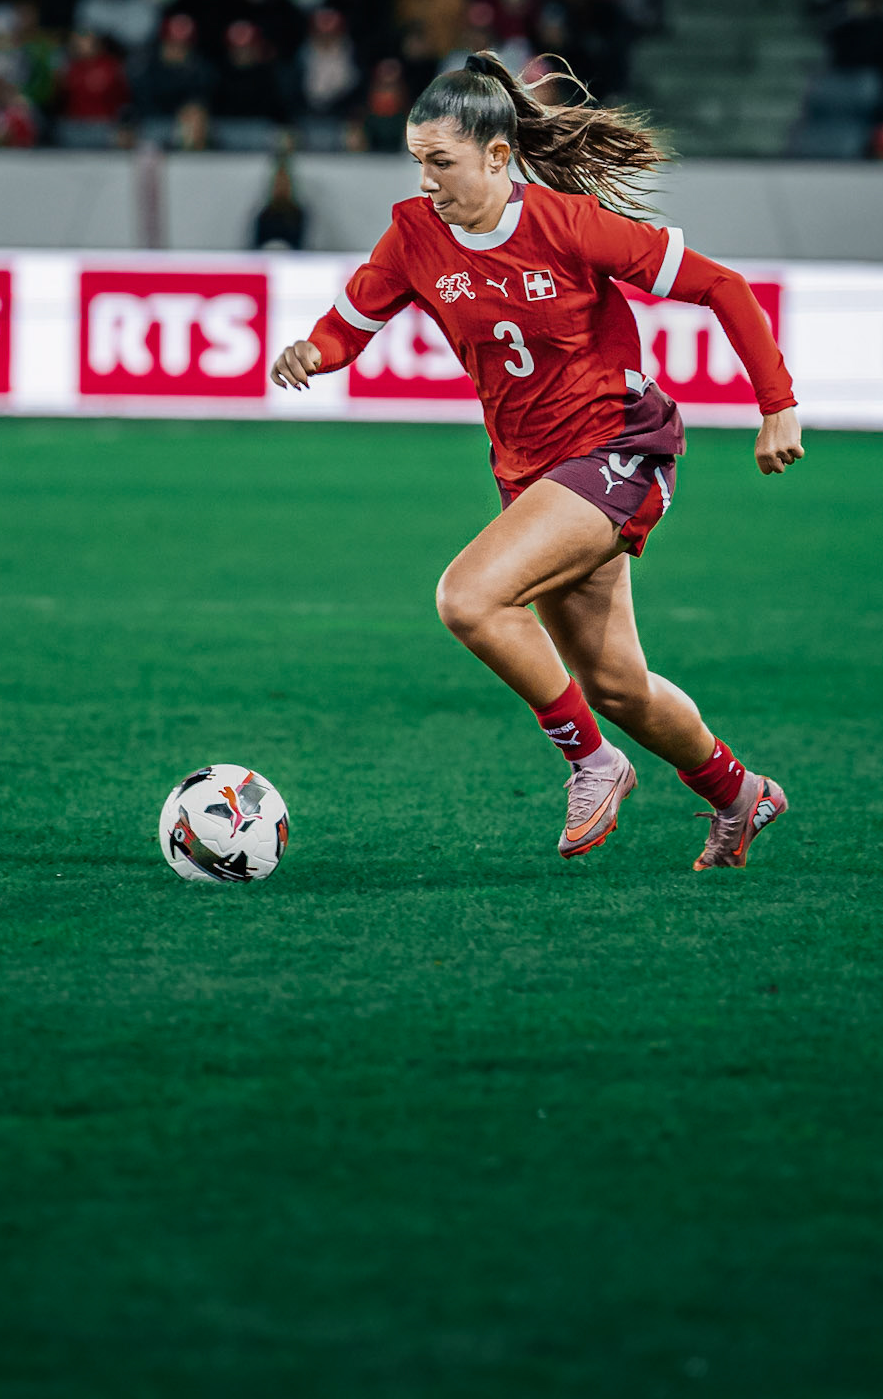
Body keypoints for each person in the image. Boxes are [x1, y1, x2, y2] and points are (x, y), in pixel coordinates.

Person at [270, 52, 802, 868]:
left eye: (440, 162)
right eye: (417, 161)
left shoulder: (568, 224)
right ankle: (739, 795)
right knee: (619, 686)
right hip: (533, 473)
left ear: (495, 155)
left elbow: (722, 287)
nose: (426, 181)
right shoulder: (415, 235)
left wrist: (776, 405)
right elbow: (351, 322)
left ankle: (592, 764)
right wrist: (313, 350)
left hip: (618, 447)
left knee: (469, 599)